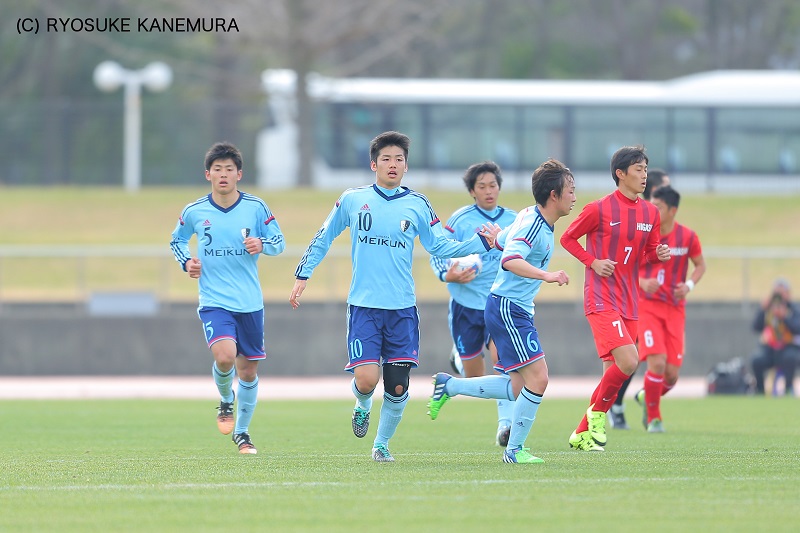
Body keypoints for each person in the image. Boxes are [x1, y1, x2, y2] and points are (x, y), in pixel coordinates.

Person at [289, 131, 501, 463]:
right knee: (367, 379)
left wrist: (481, 244)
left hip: (402, 309)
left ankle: (382, 445)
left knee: (398, 386)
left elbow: (439, 246)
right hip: (364, 307)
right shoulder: (353, 199)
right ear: (374, 164)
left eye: (399, 159)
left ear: (405, 166)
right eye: (386, 159)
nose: (392, 164)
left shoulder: (417, 204)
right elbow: (324, 235)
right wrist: (303, 274)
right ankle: (361, 405)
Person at [427, 159, 575, 464]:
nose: (575, 197)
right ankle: (514, 450)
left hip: (509, 306)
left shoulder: (526, 216)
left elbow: (504, 242)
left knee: (519, 384)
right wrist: (547, 275)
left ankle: (450, 385)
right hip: (508, 307)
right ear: (553, 195)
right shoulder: (534, 224)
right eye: (570, 191)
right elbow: (511, 259)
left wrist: (496, 240)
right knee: (539, 378)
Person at [169, 142, 286, 454]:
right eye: (217, 169)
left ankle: (243, 434)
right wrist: (187, 262)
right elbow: (176, 240)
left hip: (250, 303)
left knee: (247, 371)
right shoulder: (194, 211)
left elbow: (279, 241)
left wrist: (262, 244)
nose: (223, 174)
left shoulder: (256, 208)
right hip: (214, 300)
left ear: (239, 174)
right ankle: (224, 399)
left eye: (229, 169)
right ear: (208, 174)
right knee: (224, 357)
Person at [560, 145, 670, 452]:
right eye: (638, 169)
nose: (644, 175)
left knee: (618, 370)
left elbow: (647, 254)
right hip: (600, 297)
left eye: (646, 169)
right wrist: (592, 262)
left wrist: (658, 255)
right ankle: (597, 415)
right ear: (620, 174)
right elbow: (567, 238)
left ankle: (581, 433)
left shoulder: (651, 213)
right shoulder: (599, 208)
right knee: (629, 360)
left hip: (629, 301)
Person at [429, 161, 518, 446]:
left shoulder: (514, 220)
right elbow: (437, 251)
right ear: (472, 191)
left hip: (499, 304)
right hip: (465, 306)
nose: (489, 191)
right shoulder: (460, 220)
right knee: (474, 376)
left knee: (503, 365)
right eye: (482, 186)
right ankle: (458, 358)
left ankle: (505, 427)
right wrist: (449, 273)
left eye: (493, 185)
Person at [631, 185, 706, 432]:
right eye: (651, 204)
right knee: (658, 364)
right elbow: (625, 268)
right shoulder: (642, 237)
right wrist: (642, 282)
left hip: (675, 310)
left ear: (672, 210)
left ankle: (646, 396)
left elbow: (700, 265)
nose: (652, 210)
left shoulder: (688, 237)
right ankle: (654, 418)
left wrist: (689, 285)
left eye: (658, 207)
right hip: (648, 307)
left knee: (671, 376)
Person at [609, 168, 671, 430]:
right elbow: (625, 258)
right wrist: (640, 281)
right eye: (664, 187)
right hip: (630, 298)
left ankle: (620, 404)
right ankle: (613, 405)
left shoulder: (657, 216)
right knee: (630, 358)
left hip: (658, 303)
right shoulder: (637, 214)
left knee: (645, 360)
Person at [750, 278, 800, 396]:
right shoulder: (768, 309)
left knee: (790, 358)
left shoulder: (793, 309)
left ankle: (788, 388)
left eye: (782, 293)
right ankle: (760, 390)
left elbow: (797, 328)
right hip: (771, 348)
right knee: (757, 360)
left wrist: (785, 316)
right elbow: (756, 326)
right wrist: (763, 309)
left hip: (788, 346)